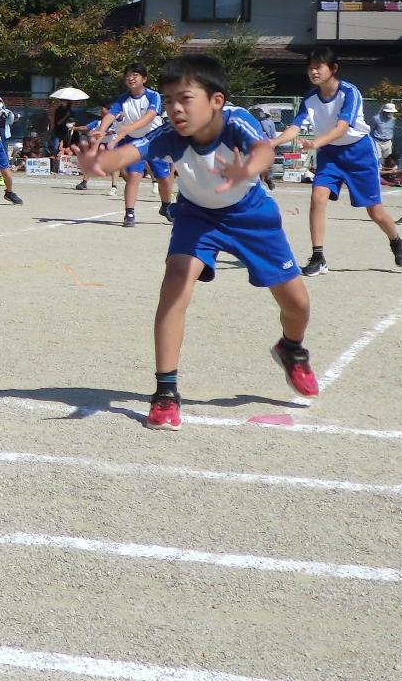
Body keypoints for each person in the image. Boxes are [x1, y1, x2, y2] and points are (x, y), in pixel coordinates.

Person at [79, 54, 314, 432]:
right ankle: (165, 394)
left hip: (251, 215)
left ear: (215, 100)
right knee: (174, 285)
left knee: (297, 304)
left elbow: (265, 150)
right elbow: (130, 152)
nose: (175, 108)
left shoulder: (237, 122)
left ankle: (291, 347)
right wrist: (99, 164)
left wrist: (248, 169)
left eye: (185, 98)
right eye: (169, 99)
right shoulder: (169, 134)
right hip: (197, 216)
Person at [268, 47, 402, 275]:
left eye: (318, 66)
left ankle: (396, 241)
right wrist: (272, 143)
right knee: (317, 196)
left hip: (359, 153)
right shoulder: (309, 99)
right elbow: (295, 127)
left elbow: (342, 128)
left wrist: (315, 144)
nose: (313, 71)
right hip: (331, 155)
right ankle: (318, 256)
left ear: (333, 69)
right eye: (310, 67)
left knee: (375, 211)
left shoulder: (349, 92)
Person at [97, 64, 177, 226]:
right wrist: (101, 130)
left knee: (163, 177)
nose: (131, 78)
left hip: (154, 140)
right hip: (133, 142)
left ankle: (166, 205)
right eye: (128, 75)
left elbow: (150, 116)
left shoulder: (153, 95)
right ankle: (129, 213)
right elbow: (111, 115)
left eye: (135, 75)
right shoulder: (122, 99)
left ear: (144, 79)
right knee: (134, 176)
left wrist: (128, 128)